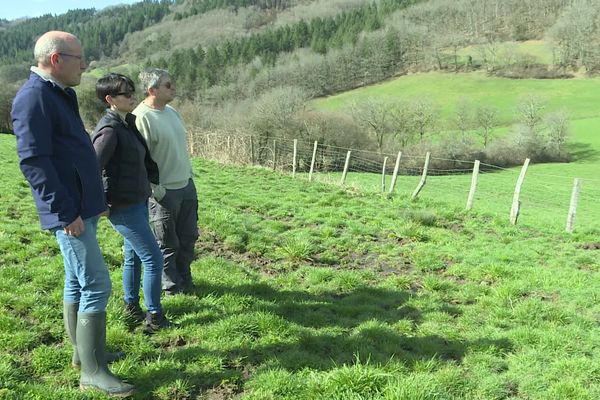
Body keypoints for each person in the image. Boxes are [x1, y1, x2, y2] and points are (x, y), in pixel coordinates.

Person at [11, 31, 134, 397]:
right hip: (70, 214)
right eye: (79, 58)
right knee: (97, 284)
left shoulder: (57, 94)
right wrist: (66, 213)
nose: (85, 64)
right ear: (55, 60)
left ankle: (84, 355)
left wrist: (94, 201)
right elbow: (34, 162)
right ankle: (93, 372)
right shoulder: (33, 98)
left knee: (77, 281)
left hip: (83, 208)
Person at [92, 73, 170, 334]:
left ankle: (131, 306)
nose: (132, 96)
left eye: (132, 91)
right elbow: (93, 168)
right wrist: (100, 201)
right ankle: (154, 316)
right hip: (122, 205)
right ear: (110, 99)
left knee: (134, 256)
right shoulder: (109, 129)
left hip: (136, 200)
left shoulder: (127, 122)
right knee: (154, 258)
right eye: (126, 93)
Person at [133, 69, 199, 296]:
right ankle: (170, 287)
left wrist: (189, 176)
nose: (173, 88)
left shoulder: (171, 112)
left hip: (186, 186)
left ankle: (185, 280)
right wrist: (157, 191)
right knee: (168, 243)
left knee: (188, 238)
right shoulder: (141, 118)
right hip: (164, 192)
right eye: (168, 85)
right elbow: (139, 161)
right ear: (152, 90)